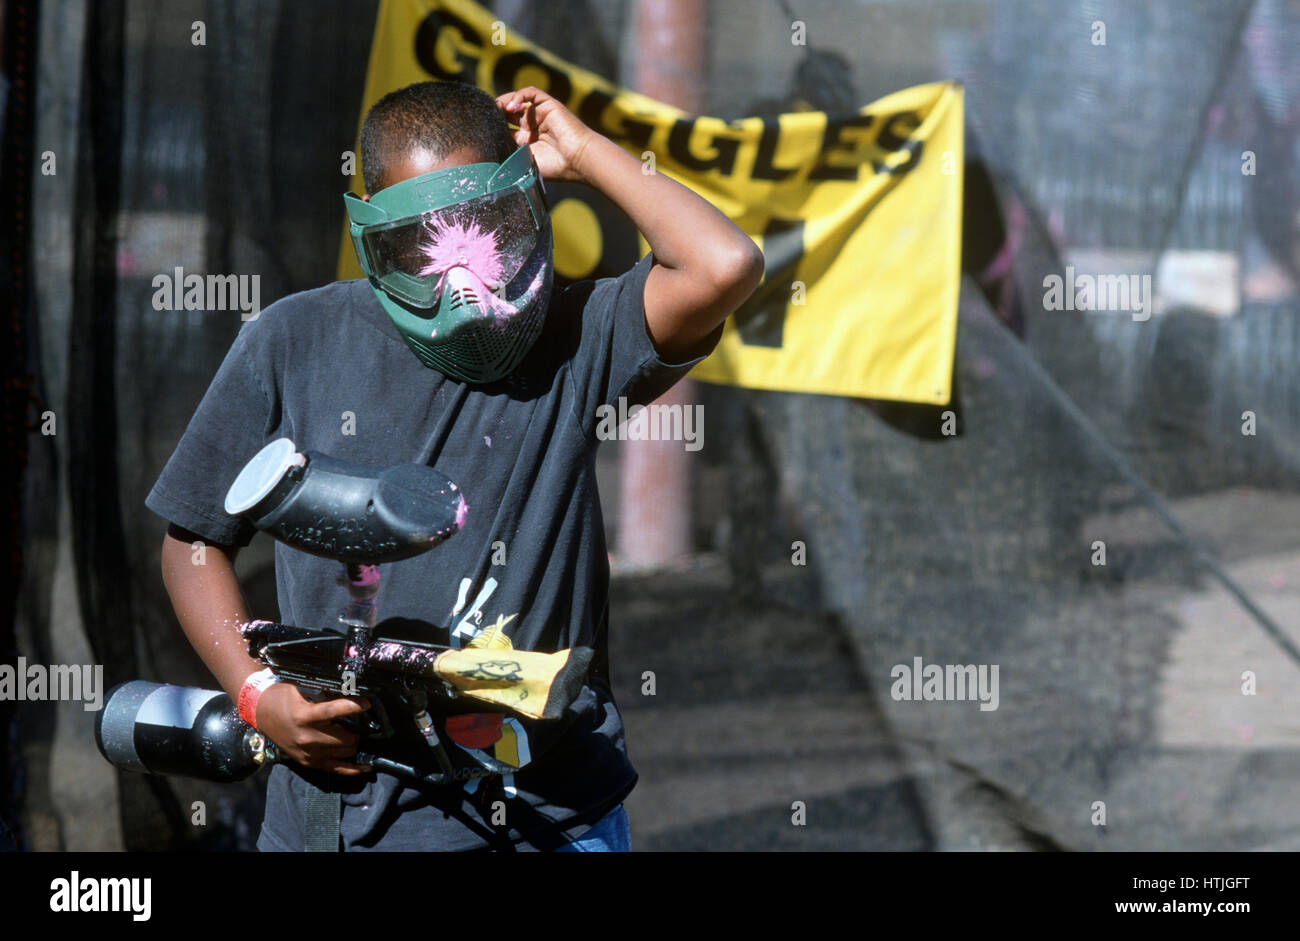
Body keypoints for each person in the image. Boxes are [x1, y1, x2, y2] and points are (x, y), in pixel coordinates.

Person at [145, 80, 763, 851]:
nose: (460, 285)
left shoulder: (571, 337)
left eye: (487, 231)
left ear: (528, 205)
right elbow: (192, 542)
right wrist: (258, 693)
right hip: (333, 820)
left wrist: (583, 152)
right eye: (420, 247)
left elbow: (724, 262)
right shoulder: (292, 341)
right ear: (370, 234)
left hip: (546, 816)